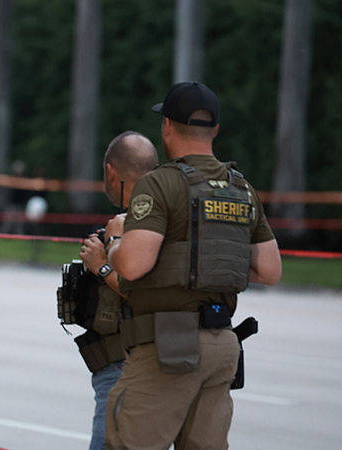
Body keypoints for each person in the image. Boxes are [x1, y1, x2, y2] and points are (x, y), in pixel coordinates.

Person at [103, 82, 282, 449]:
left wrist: (114, 246)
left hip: (168, 349)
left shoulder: (159, 184)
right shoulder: (241, 189)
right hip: (223, 346)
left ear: (167, 126)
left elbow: (134, 265)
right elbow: (270, 270)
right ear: (215, 130)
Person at [78, 131, 158, 450]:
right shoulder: (165, 215)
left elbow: (141, 289)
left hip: (126, 360)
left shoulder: (137, 225)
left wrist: (101, 263)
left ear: (111, 172)